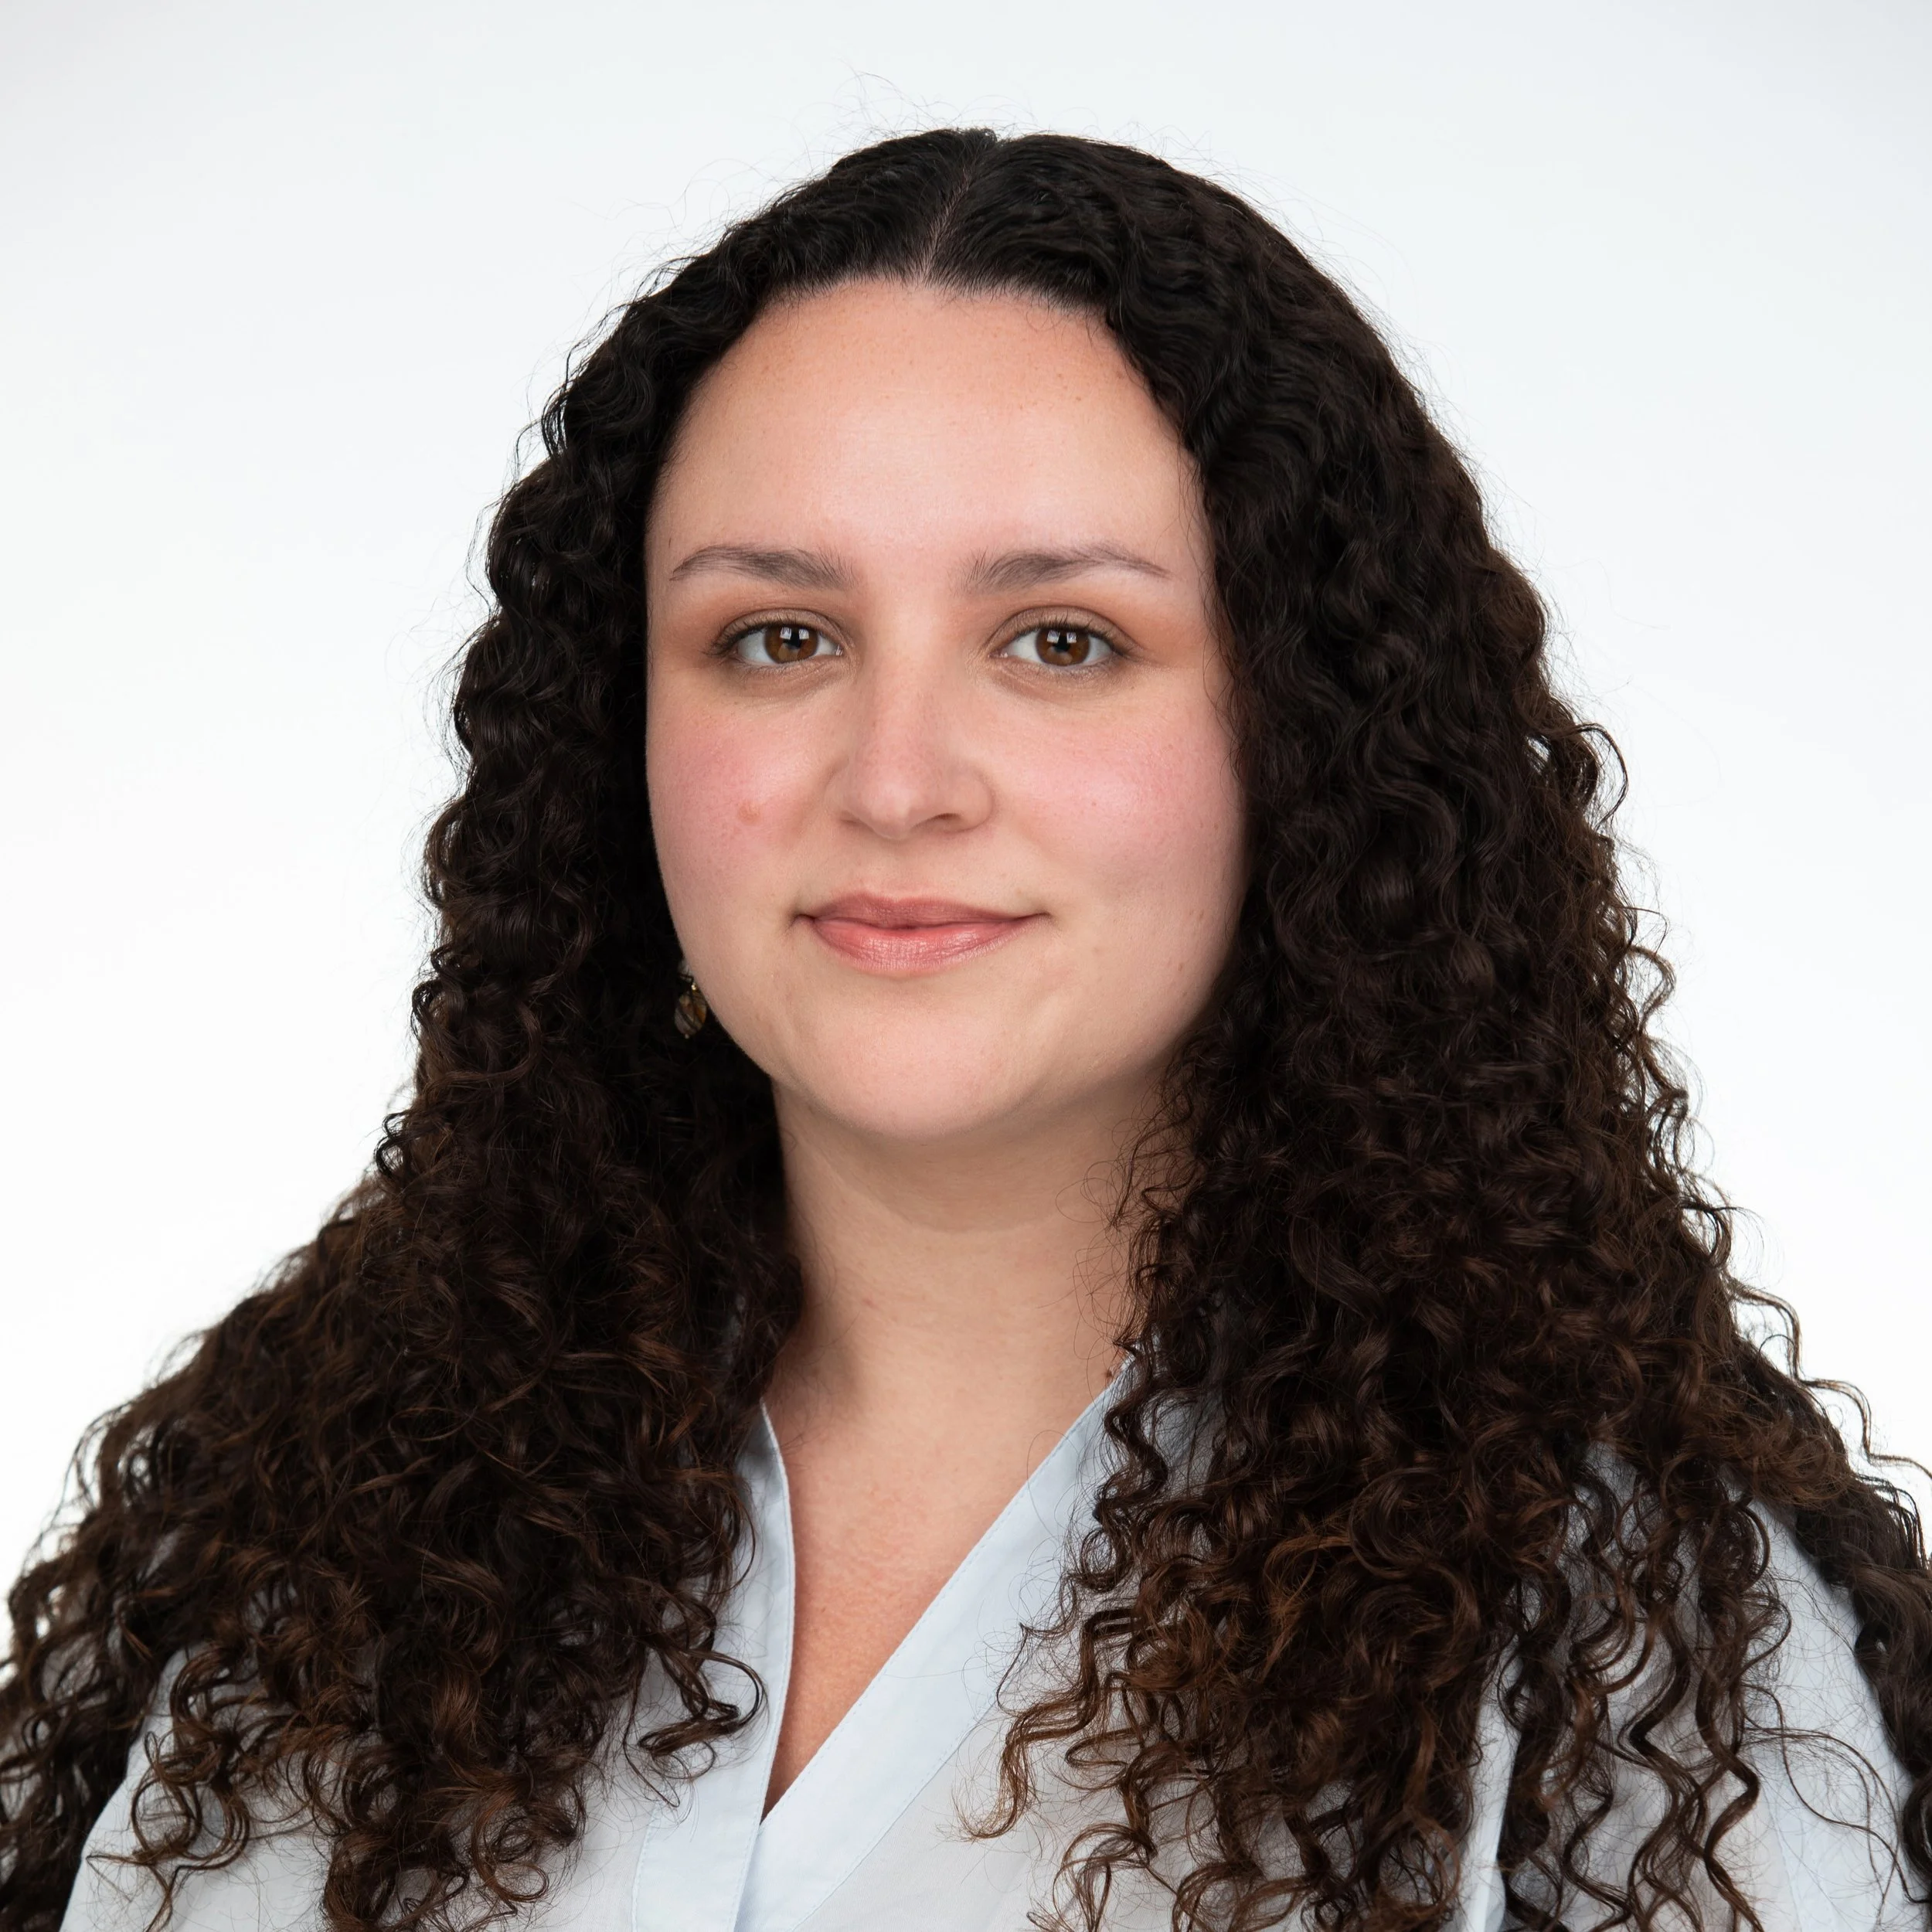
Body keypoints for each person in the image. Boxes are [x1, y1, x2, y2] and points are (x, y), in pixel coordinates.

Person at [2, 128, 1927, 1932]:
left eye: (1059, 640)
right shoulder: (286, 1554)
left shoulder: (1638, 1654)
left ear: (1301, 738)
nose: (895, 778)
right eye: (778, 636)